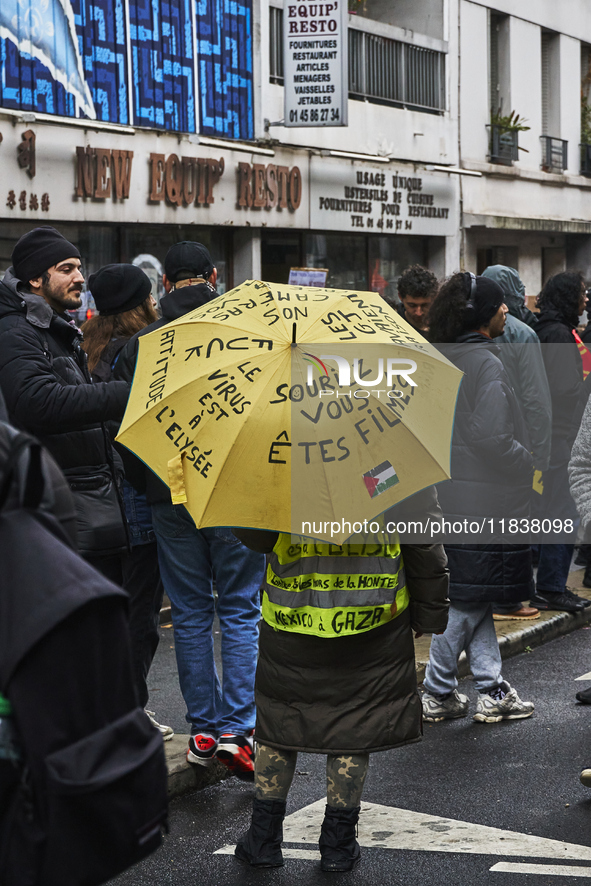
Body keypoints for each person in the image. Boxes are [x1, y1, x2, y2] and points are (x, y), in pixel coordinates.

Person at [233, 486, 449, 872]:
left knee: (279, 721)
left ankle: (263, 840)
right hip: (372, 622)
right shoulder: (393, 455)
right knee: (354, 724)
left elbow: (256, 536)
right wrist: (430, 613)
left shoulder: (278, 456)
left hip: (292, 620)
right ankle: (338, 845)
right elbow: (422, 542)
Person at [114, 242, 265, 778]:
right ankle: (238, 731)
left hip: (168, 494)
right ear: (214, 277)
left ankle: (202, 730)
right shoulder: (248, 337)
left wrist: (151, 486)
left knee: (192, 613)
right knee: (242, 608)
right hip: (234, 489)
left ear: (165, 286)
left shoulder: (142, 345)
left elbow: (127, 433)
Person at [422, 272, 535, 724]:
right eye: (499, 305)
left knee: (474, 593)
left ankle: (491, 688)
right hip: (484, 500)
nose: (506, 309)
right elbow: (491, 437)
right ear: (483, 315)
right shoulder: (486, 362)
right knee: (467, 601)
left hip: (451, 493)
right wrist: (525, 460)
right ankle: (435, 690)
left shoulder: (444, 356)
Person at [0, 226, 129, 579]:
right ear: (36, 279)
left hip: (85, 507)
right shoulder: (15, 330)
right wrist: (125, 393)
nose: (80, 278)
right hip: (60, 512)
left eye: (79, 268)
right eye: (66, 269)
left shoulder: (52, 328)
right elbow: (37, 402)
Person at [81, 263, 172, 740]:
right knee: (140, 614)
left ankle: (105, 709)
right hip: (136, 495)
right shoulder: (146, 350)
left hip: (94, 502)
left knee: (106, 613)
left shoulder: (84, 349)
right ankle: (129, 711)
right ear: (143, 303)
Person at [482, 265, 553, 621]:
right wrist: (540, 456)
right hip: (516, 445)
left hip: (480, 446)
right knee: (515, 524)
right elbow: (537, 401)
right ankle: (510, 600)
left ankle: (486, 595)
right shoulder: (523, 335)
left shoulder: (467, 332)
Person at [529, 272, 590, 613]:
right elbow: (564, 390)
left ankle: (549, 583)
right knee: (563, 512)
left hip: (561, 436)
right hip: (562, 437)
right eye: (581, 293)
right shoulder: (557, 334)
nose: (585, 299)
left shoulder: (556, 330)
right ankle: (552, 586)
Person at [395, 264, 439, 334]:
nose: (419, 313)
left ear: (435, 298)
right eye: (412, 305)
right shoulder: (392, 322)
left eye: (425, 305)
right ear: (401, 297)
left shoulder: (446, 322)